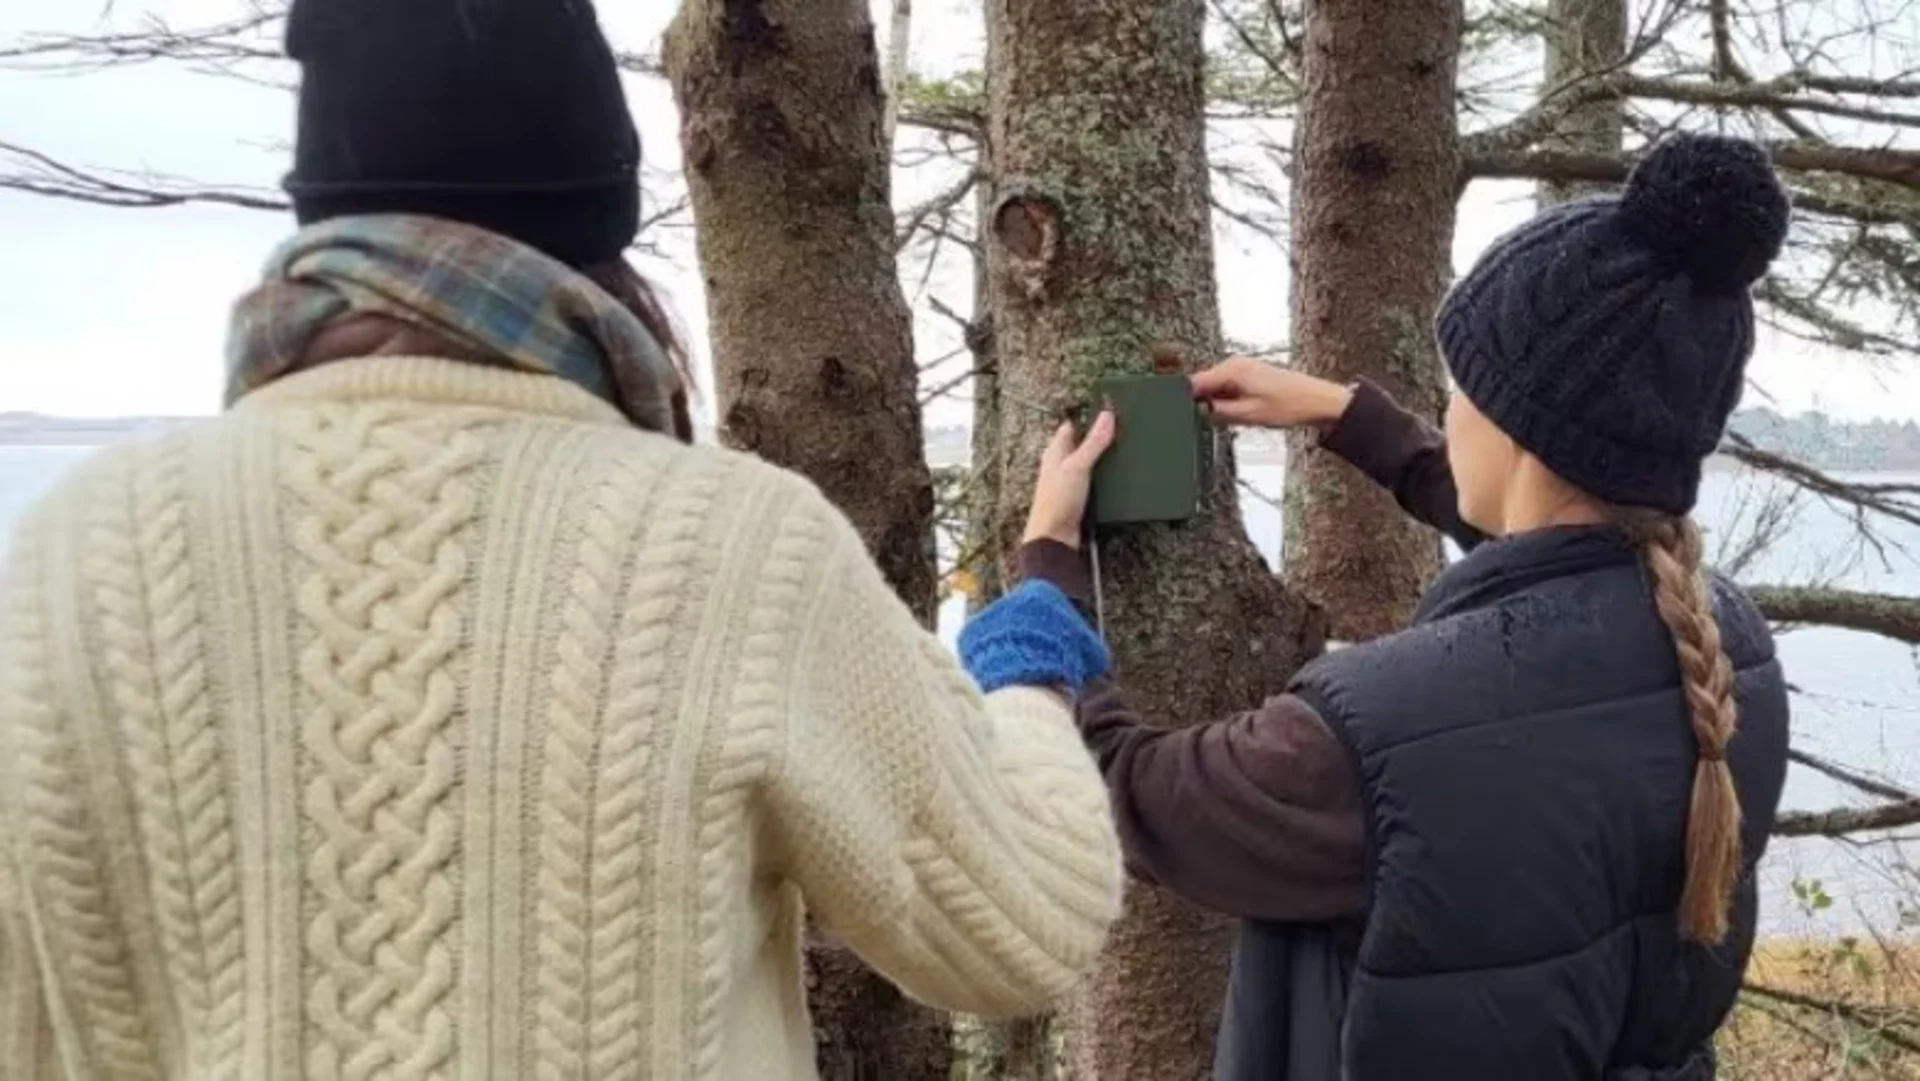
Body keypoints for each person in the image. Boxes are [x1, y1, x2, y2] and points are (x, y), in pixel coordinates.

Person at [0, 2, 1124, 1078]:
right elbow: (1023, 919)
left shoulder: (67, 559)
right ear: (600, 235)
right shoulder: (728, 548)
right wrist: (1031, 635)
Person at [966, 132, 1795, 1080]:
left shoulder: (1370, 741)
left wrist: (1043, 576)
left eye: (1459, 389)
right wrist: (1347, 417)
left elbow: (1125, 793)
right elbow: (1565, 568)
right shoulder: (1730, 653)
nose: (1448, 412)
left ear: (1521, 433)